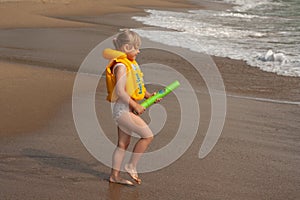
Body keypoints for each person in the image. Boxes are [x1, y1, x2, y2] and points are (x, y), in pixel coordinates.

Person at [104, 29, 158, 185]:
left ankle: (114, 176)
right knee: (148, 136)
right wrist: (135, 104)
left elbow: (135, 87)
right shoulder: (120, 65)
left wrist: (149, 96)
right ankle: (131, 165)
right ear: (126, 47)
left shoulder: (131, 64)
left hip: (125, 109)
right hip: (123, 110)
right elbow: (120, 91)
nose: (139, 51)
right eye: (136, 48)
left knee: (122, 144)